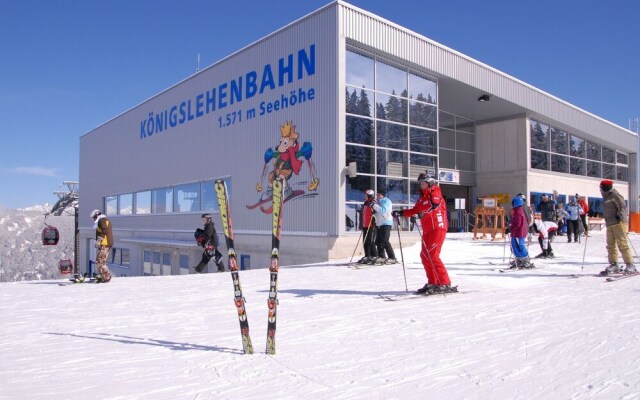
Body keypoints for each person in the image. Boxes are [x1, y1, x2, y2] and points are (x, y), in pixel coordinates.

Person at [392, 174, 452, 294]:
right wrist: (402, 213)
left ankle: (444, 283)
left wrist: (422, 214)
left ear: (430, 182)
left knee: (433, 255)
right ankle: (433, 282)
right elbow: (415, 210)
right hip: (428, 229)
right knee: (425, 255)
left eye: (423, 182)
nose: (421, 185)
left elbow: (434, 207)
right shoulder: (422, 197)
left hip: (438, 228)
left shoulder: (435, 193)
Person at [599, 180, 636, 276]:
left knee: (622, 244)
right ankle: (614, 264)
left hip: (618, 223)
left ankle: (630, 265)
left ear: (606, 187)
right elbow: (608, 211)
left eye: (602, 187)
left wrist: (620, 215)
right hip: (610, 224)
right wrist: (595, 213)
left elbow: (622, 206)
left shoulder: (615, 195)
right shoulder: (605, 197)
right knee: (610, 245)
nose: (601, 189)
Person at [371, 188, 397, 264]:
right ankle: (381, 256)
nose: (378, 196)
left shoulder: (387, 201)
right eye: (377, 194)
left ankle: (392, 257)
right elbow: (377, 211)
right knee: (378, 241)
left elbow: (383, 210)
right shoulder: (378, 201)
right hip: (379, 223)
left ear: (383, 195)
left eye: (379, 194)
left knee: (385, 241)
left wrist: (374, 205)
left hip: (386, 223)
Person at [509, 196, 533, 269]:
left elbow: (517, 224)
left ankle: (524, 258)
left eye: (513, 203)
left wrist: (510, 228)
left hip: (518, 232)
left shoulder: (518, 212)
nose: (512, 205)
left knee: (519, 245)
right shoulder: (518, 210)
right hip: (518, 232)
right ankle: (519, 258)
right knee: (515, 245)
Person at [90, 209, 113, 283]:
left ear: (97, 215)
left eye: (94, 217)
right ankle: (104, 276)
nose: (94, 219)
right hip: (105, 244)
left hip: (105, 244)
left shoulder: (102, 220)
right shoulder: (103, 220)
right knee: (100, 261)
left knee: (100, 261)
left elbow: (105, 230)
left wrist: (99, 240)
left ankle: (106, 277)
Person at [356, 189, 378, 264]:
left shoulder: (373, 202)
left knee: (370, 241)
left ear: (369, 195)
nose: (364, 196)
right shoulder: (366, 203)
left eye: (365, 195)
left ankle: (374, 256)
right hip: (365, 224)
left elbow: (376, 212)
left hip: (371, 225)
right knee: (365, 241)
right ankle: (367, 255)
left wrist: (374, 217)